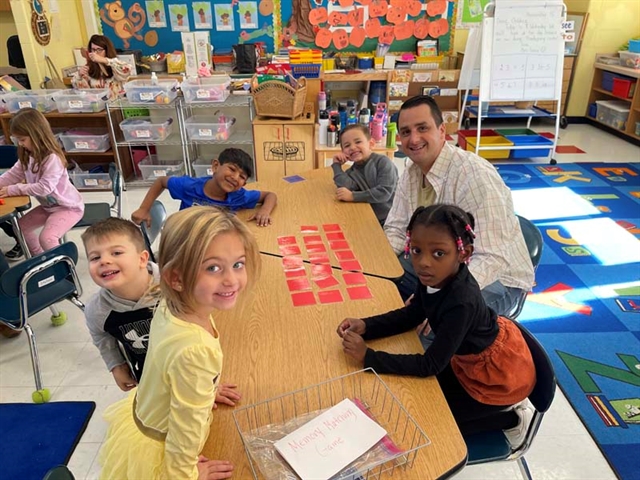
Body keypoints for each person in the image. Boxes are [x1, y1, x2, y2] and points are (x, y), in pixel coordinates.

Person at [338, 204, 536, 446]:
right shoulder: (434, 276)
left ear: (464, 253)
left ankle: (509, 419)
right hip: (465, 357)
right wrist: (366, 326)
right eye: (416, 250)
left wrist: (369, 357)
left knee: (433, 423)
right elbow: (411, 315)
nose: (423, 263)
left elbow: (429, 364)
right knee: (421, 399)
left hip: (496, 377)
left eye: (438, 253)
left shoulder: (460, 303)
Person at [99, 206, 260, 480]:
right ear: (176, 278)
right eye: (213, 267)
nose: (231, 279)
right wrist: (187, 475)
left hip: (145, 416)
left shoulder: (171, 306)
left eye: (238, 264)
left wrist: (204, 388)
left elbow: (171, 367)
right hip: (164, 449)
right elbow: (187, 430)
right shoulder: (196, 350)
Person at [384, 95, 534, 316]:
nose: (414, 139)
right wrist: (373, 261)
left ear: (442, 131)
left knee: (440, 321)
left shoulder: (473, 175)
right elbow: (396, 228)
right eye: (406, 132)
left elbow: (491, 259)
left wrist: (439, 296)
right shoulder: (411, 171)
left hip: (497, 280)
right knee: (380, 278)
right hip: (440, 262)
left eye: (422, 128)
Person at [81, 217, 161, 391]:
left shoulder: (174, 285)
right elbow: (100, 335)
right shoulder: (97, 310)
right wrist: (116, 365)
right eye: (95, 257)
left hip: (195, 368)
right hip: (150, 378)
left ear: (142, 259)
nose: (104, 261)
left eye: (116, 253)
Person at [0, 109, 84, 255]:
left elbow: (45, 188)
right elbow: (12, 175)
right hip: (49, 207)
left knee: (47, 238)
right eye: (17, 140)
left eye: (22, 139)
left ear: (36, 135)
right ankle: (41, 260)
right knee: (20, 227)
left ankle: (62, 267)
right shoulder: (28, 155)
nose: (20, 144)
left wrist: (13, 189)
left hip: (68, 208)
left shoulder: (52, 158)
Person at [131, 148, 277, 228]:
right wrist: (144, 209)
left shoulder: (239, 196)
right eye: (232, 169)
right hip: (184, 237)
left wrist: (264, 211)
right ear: (215, 166)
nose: (235, 177)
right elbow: (161, 181)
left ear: (243, 185)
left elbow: (270, 195)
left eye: (242, 177)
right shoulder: (189, 186)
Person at [331, 124, 398, 226]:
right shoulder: (352, 171)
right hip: (368, 218)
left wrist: (353, 196)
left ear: (371, 143)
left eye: (358, 142)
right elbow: (346, 187)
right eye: (347, 145)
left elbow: (384, 192)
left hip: (390, 220)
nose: (353, 147)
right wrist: (336, 165)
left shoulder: (383, 162)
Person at [71, 34, 132, 100]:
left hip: (116, 106)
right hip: (99, 107)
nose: (95, 53)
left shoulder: (114, 64)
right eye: (93, 50)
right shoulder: (89, 68)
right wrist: (79, 76)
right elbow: (82, 92)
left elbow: (126, 70)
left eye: (99, 50)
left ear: (107, 50)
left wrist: (104, 60)